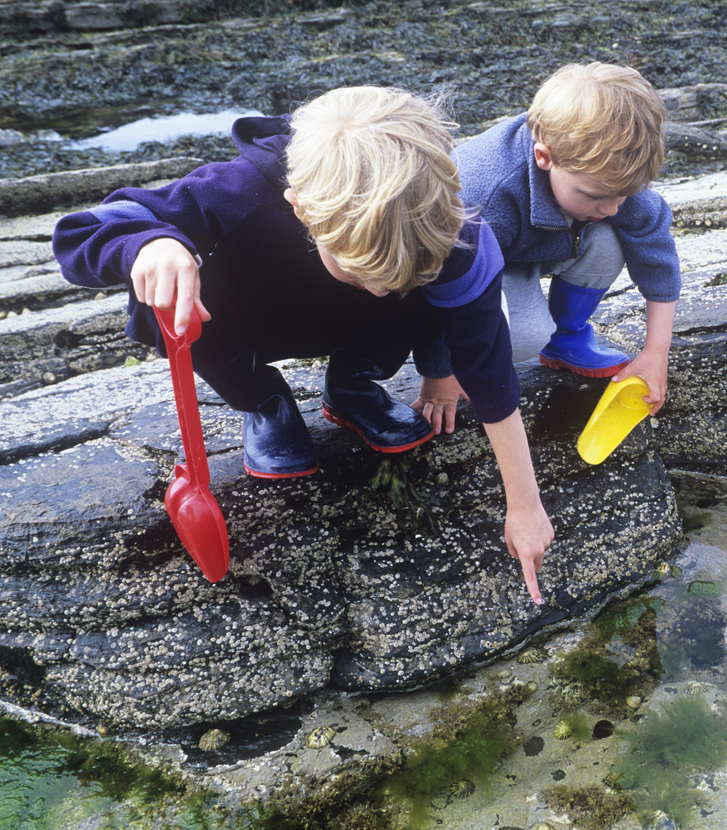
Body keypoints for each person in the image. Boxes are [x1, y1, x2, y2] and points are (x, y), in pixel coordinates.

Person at [53, 87, 553, 603]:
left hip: (358, 327)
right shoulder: (239, 190)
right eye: (365, 274)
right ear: (300, 208)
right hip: (254, 314)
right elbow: (82, 231)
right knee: (163, 304)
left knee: (425, 291)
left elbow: (488, 369)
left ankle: (353, 382)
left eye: (391, 278)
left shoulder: (446, 228)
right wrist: (151, 243)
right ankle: (264, 401)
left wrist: (525, 504)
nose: (381, 289)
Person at [411, 62, 680, 433]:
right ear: (545, 157)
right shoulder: (485, 196)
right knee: (524, 338)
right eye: (597, 196)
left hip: (546, 243)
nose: (613, 207)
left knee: (615, 236)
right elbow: (440, 279)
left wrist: (655, 354)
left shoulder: (609, 177)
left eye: (626, 195)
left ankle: (566, 336)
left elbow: (656, 253)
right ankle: (526, 342)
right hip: (483, 262)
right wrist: (439, 372)